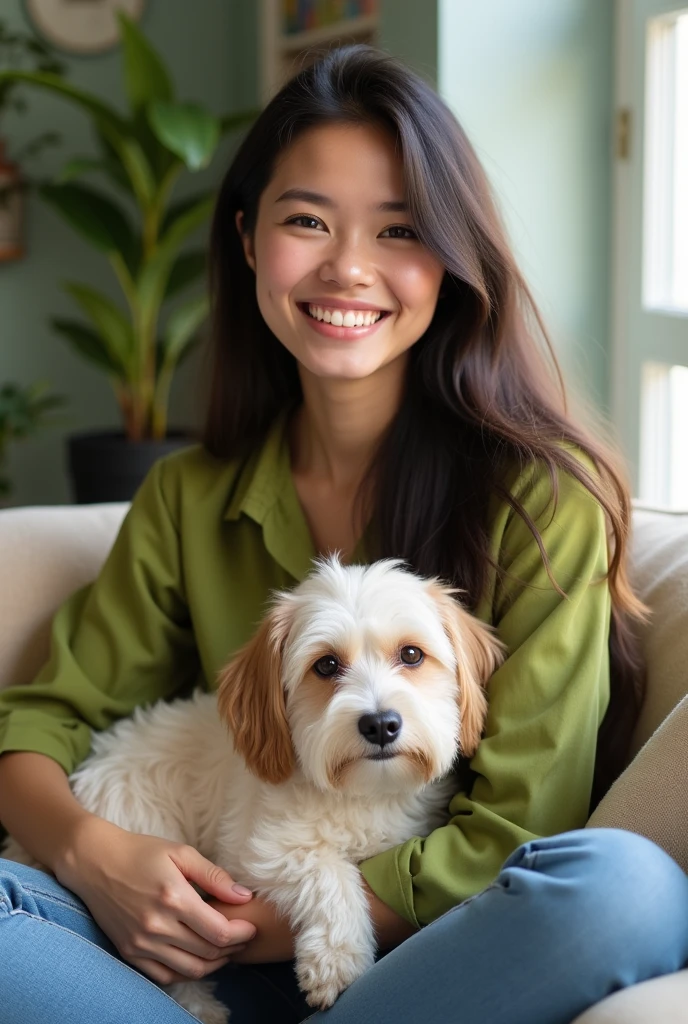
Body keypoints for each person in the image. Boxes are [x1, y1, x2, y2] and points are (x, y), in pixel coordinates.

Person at [0, 43, 687, 1024]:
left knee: (627, 889)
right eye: (307, 221)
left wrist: (269, 921)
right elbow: (36, 721)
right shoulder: (189, 499)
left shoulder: (543, 504)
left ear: (452, 258)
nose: (348, 267)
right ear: (247, 240)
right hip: (154, 956)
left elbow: (513, 833)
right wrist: (100, 858)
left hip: (420, 963)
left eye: (399, 229)